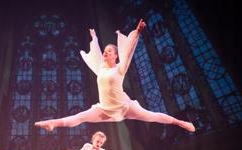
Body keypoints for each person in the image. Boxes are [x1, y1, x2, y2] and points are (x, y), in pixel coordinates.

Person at [35, 19, 195, 133]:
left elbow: (129, 52)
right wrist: (95, 39)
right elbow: (96, 53)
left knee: (151, 116)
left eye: (109, 51)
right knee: (80, 117)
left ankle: (181, 123)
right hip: (105, 109)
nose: (105, 52)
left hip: (124, 107)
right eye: (105, 51)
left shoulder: (120, 68)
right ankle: (52, 123)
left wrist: (137, 33)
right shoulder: (101, 67)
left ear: (116, 56)